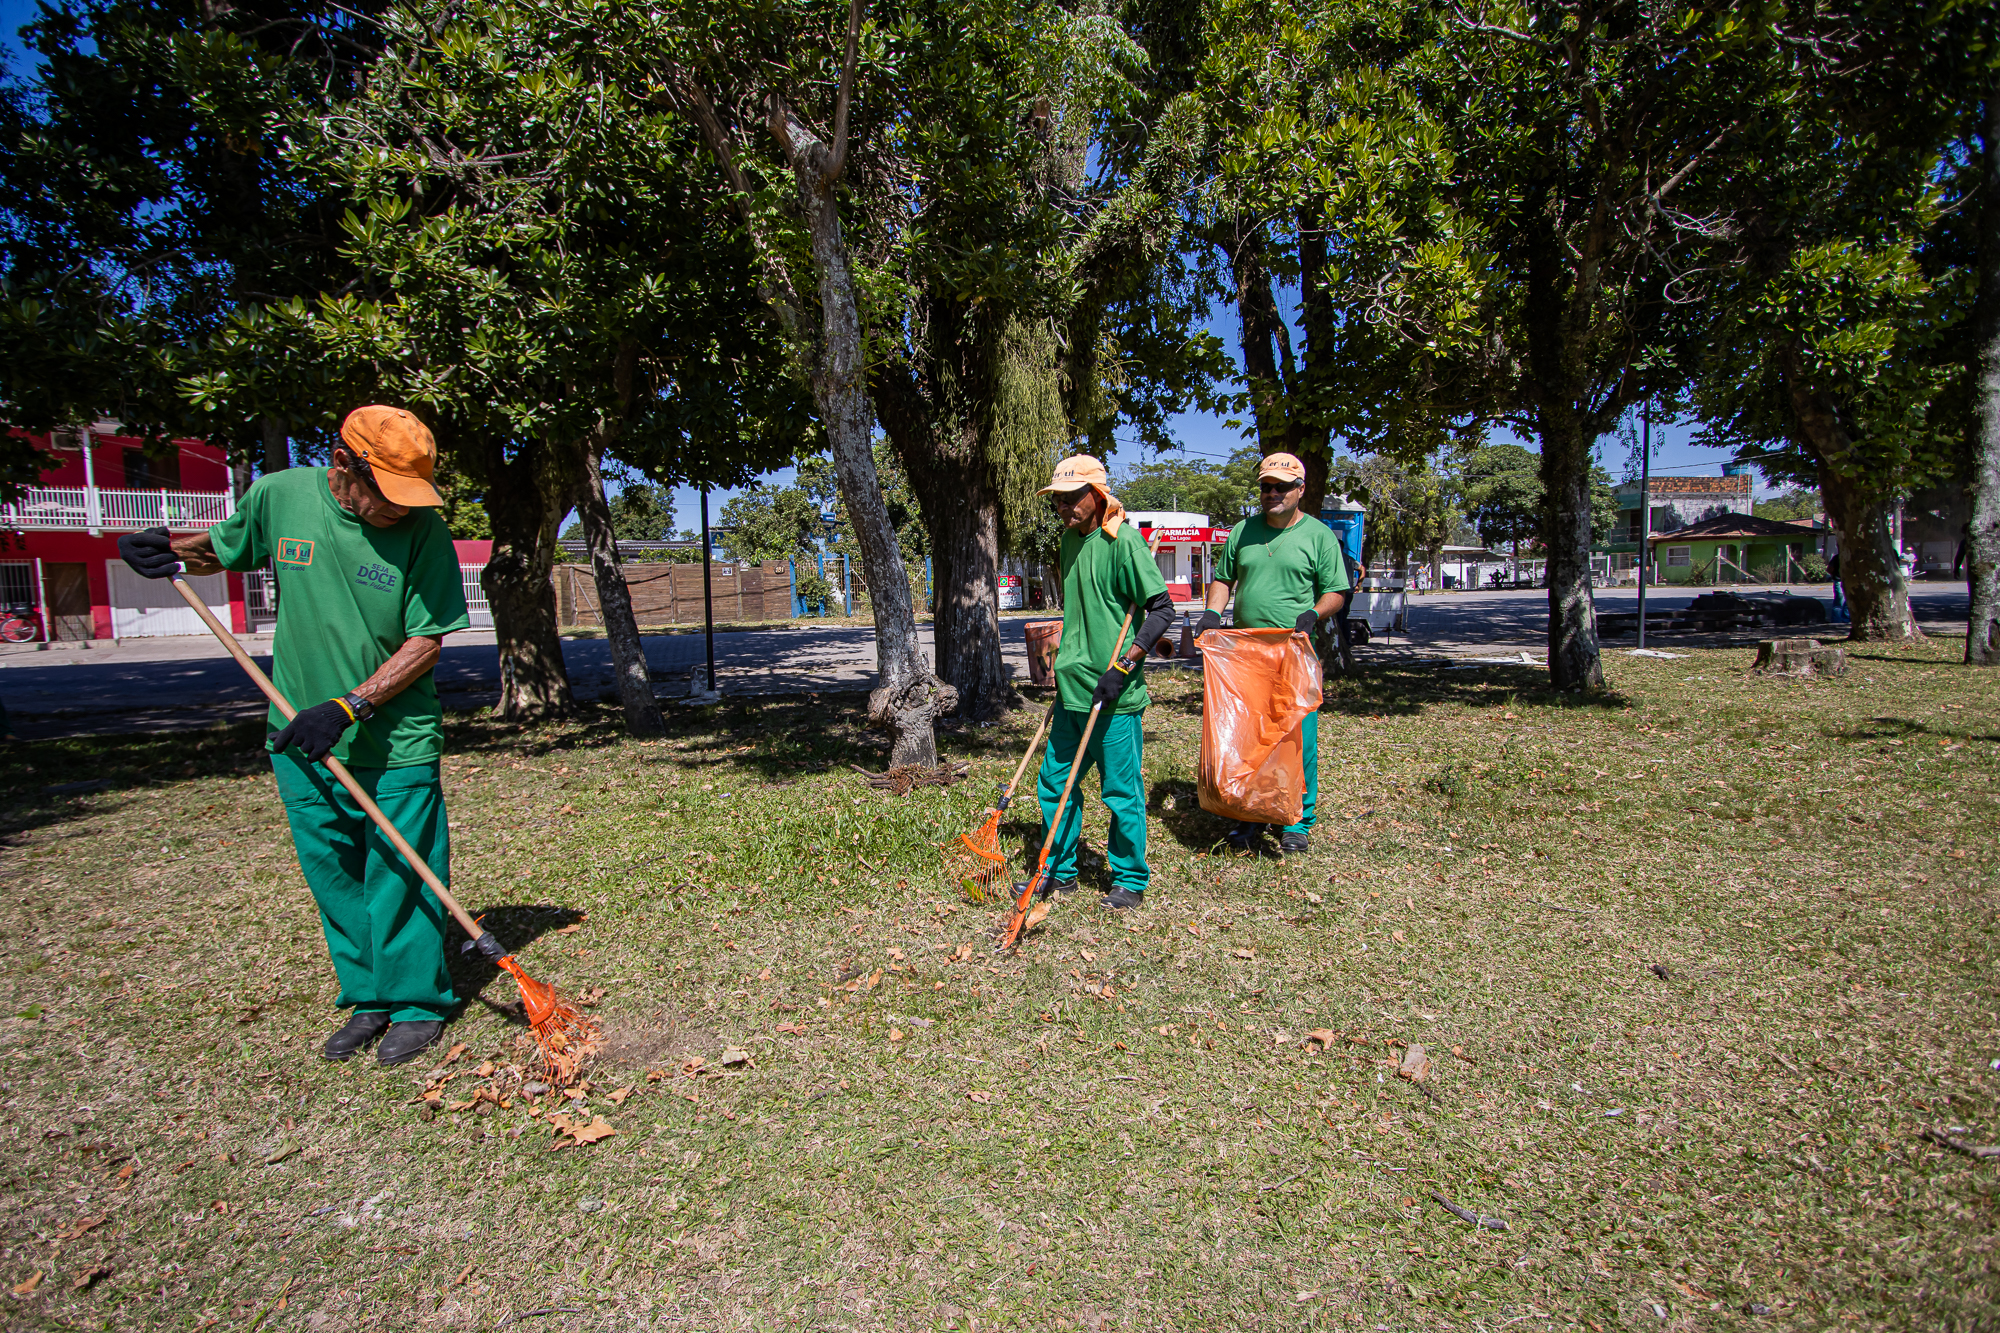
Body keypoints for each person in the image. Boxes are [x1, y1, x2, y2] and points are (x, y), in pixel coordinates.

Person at [117, 406, 471, 1066]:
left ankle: (416, 1003)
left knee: (401, 871)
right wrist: (162, 549)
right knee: (333, 871)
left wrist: (351, 704)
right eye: (389, 493)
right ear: (343, 464)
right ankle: (368, 996)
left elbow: (428, 640)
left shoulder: (423, 531)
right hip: (298, 733)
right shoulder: (279, 497)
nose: (401, 509)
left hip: (393, 738)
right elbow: (217, 549)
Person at [1034, 455, 1174, 910]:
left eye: (1071, 497)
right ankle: (1060, 871)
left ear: (1097, 496)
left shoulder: (1124, 542)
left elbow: (1162, 609)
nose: (1062, 506)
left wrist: (1125, 667)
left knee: (1120, 791)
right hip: (1072, 690)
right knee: (1055, 784)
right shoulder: (1068, 542)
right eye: (1057, 499)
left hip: (1114, 694)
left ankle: (1130, 877)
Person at [1194, 452, 1350, 856]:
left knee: (1296, 735)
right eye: (1266, 487)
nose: (1272, 493)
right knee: (1250, 734)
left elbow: (1336, 590)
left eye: (1281, 486)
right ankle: (1250, 814)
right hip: (1246, 653)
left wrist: (1313, 614)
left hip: (1294, 650)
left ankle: (1297, 820)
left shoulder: (1318, 536)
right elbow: (1224, 579)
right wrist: (1213, 611)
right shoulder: (1242, 532)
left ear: (1301, 489)